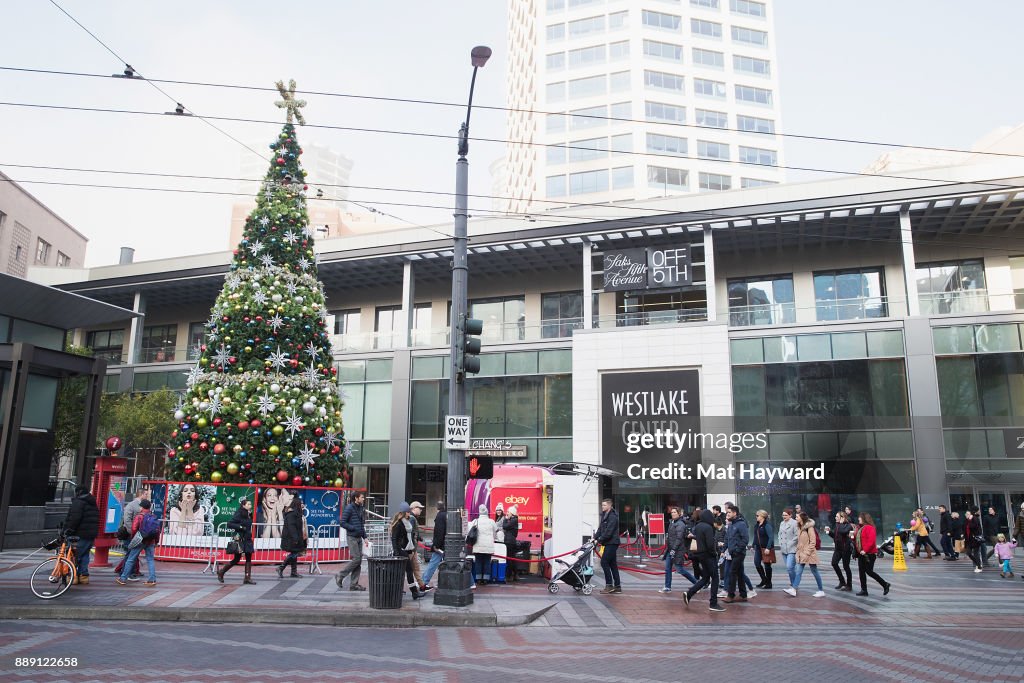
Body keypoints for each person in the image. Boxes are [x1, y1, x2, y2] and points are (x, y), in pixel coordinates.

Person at [683, 510, 724, 612]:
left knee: (705, 578)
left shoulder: (698, 526)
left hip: (700, 555)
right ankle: (713, 603)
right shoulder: (708, 527)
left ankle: (689, 594)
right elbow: (710, 544)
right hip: (709, 555)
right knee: (715, 578)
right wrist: (714, 553)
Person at [116, 499, 158, 587]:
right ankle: (152, 579)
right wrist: (156, 541)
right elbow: (157, 531)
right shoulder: (153, 516)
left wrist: (134, 539)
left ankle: (123, 578)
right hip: (150, 541)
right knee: (150, 560)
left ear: (141, 507)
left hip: (140, 540)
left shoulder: (139, 516)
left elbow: (134, 529)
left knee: (131, 559)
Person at [64, 485, 99, 585]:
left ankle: (73, 576)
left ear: (78, 492)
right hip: (90, 534)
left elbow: (74, 518)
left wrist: (68, 530)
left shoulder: (78, 502)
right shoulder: (92, 502)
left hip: (79, 534)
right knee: (84, 555)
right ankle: (83, 576)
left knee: (74, 555)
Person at [785, 512, 825, 598]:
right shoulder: (799, 527)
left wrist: (807, 553)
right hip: (801, 554)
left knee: (815, 571)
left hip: (810, 554)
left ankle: (821, 590)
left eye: (797, 517)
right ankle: (794, 589)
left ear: (802, 518)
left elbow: (813, 542)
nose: (796, 518)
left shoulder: (809, 528)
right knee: (799, 571)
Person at [659, 506, 697, 593]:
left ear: (679, 513)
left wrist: (674, 549)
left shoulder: (680, 524)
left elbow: (679, 538)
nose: (672, 514)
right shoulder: (673, 522)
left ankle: (696, 583)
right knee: (668, 568)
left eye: (674, 512)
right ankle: (667, 587)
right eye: (672, 512)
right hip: (671, 549)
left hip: (678, 550)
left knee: (680, 569)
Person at [116, 486, 150, 581]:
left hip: (136, 534)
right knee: (129, 554)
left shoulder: (140, 505)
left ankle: (127, 573)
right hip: (131, 534)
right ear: (141, 494)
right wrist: (133, 532)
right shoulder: (132, 505)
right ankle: (126, 573)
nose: (147, 496)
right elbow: (127, 520)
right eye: (146, 494)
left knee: (131, 555)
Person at [218, 499, 256, 584]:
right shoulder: (239, 513)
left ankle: (247, 577)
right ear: (243, 505)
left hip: (247, 538)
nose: (250, 505)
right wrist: (241, 527)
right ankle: (221, 572)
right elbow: (230, 523)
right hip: (240, 539)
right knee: (236, 559)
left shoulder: (249, 514)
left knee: (249, 557)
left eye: (250, 504)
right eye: (248, 504)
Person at [389, 502, 422, 600]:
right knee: (408, 571)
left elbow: (409, 536)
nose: (409, 513)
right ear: (404, 512)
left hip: (405, 550)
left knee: (404, 571)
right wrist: (397, 552)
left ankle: (400, 590)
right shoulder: (399, 524)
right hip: (401, 551)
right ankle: (413, 592)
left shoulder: (406, 522)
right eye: (408, 512)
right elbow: (394, 539)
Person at [335, 491, 367, 591]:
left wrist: (365, 537)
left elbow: (361, 524)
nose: (363, 499)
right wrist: (353, 528)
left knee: (359, 561)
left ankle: (354, 584)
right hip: (352, 537)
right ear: (356, 498)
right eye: (362, 497)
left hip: (359, 537)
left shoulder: (361, 508)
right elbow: (342, 522)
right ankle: (340, 575)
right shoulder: (349, 508)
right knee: (357, 559)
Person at [854, 512, 890, 596]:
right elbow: (859, 540)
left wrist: (865, 550)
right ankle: (864, 590)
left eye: (860, 517)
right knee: (861, 572)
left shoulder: (870, 528)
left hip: (869, 554)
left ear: (864, 518)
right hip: (862, 554)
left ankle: (885, 584)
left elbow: (871, 541)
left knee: (869, 571)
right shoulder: (861, 528)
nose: (858, 519)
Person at [723, 504, 751, 603]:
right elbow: (727, 538)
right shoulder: (731, 524)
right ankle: (743, 595)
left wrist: (738, 550)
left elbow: (745, 539)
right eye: (727, 512)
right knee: (739, 573)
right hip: (732, 552)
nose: (727, 514)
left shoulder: (741, 524)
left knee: (732, 573)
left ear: (735, 513)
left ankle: (731, 595)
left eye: (729, 512)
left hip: (738, 553)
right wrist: (723, 550)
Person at [276, 496, 307, 578]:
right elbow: (291, 526)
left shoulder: (297, 513)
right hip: (291, 538)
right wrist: (295, 538)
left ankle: (293, 572)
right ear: (297, 504)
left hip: (294, 537)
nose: (302, 505)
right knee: (294, 553)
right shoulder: (292, 514)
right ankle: (281, 567)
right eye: (301, 504)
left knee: (295, 553)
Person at [595, 498, 621, 594]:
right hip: (608, 542)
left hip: (612, 542)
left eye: (604, 505)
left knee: (604, 562)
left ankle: (609, 585)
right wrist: (595, 538)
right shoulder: (604, 515)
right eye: (602, 505)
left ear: (609, 506)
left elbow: (609, 532)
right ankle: (617, 586)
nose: (603, 507)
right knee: (612, 564)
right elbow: (600, 528)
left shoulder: (613, 516)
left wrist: (600, 539)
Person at [468, 504, 496, 588]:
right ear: (487, 512)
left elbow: (470, 531)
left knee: (478, 562)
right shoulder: (491, 521)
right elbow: (495, 532)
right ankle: (486, 579)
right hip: (488, 545)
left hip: (478, 545)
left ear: (479, 512)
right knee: (487, 561)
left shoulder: (475, 521)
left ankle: (479, 579)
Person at [825, 510, 853, 591]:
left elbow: (843, 531)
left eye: (837, 517)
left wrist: (840, 523)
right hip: (838, 549)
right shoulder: (837, 525)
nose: (835, 518)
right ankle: (842, 581)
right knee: (834, 563)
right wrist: (829, 532)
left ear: (842, 518)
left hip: (846, 549)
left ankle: (849, 585)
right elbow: (836, 536)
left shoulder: (848, 526)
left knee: (846, 567)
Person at [422, 501, 446, 587]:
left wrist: (436, 545)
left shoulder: (439, 516)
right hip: (447, 544)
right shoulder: (446, 515)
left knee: (433, 563)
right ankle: (471, 582)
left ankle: (424, 581)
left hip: (441, 545)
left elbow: (439, 532)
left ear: (437, 508)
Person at [408, 501, 430, 592]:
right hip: (411, 549)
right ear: (413, 508)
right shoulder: (412, 518)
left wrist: (419, 537)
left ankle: (422, 586)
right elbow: (410, 533)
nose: (421, 510)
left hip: (412, 548)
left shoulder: (412, 518)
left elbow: (413, 532)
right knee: (410, 569)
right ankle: (418, 588)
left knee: (416, 567)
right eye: (419, 508)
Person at [751, 509, 774, 590]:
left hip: (765, 548)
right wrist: (753, 545)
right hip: (758, 548)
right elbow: (755, 536)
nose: (756, 517)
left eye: (757, 515)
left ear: (762, 516)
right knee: (757, 563)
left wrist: (768, 548)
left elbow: (771, 537)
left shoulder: (767, 525)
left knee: (767, 566)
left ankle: (769, 583)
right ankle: (764, 580)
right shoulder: (757, 525)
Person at [777, 507, 799, 589]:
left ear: (790, 515)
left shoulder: (794, 523)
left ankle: (794, 584)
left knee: (790, 567)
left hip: (791, 549)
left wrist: (790, 543)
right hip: (783, 549)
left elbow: (797, 535)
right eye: (783, 515)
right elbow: (779, 534)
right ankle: (793, 583)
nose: (784, 516)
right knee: (789, 568)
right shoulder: (782, 523)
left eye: (786, 515)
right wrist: (779, 542)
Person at [502, 504, 521, 581]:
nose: (507, 513)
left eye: (508, 512)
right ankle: (515, 574)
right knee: (512, 558)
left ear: (512, 513)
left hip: (509, 542)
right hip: (511, 541)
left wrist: (506, 519)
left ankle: (509, 576)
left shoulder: (513, 520)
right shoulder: (514, 520)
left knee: (509, 559)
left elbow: (505, 526)